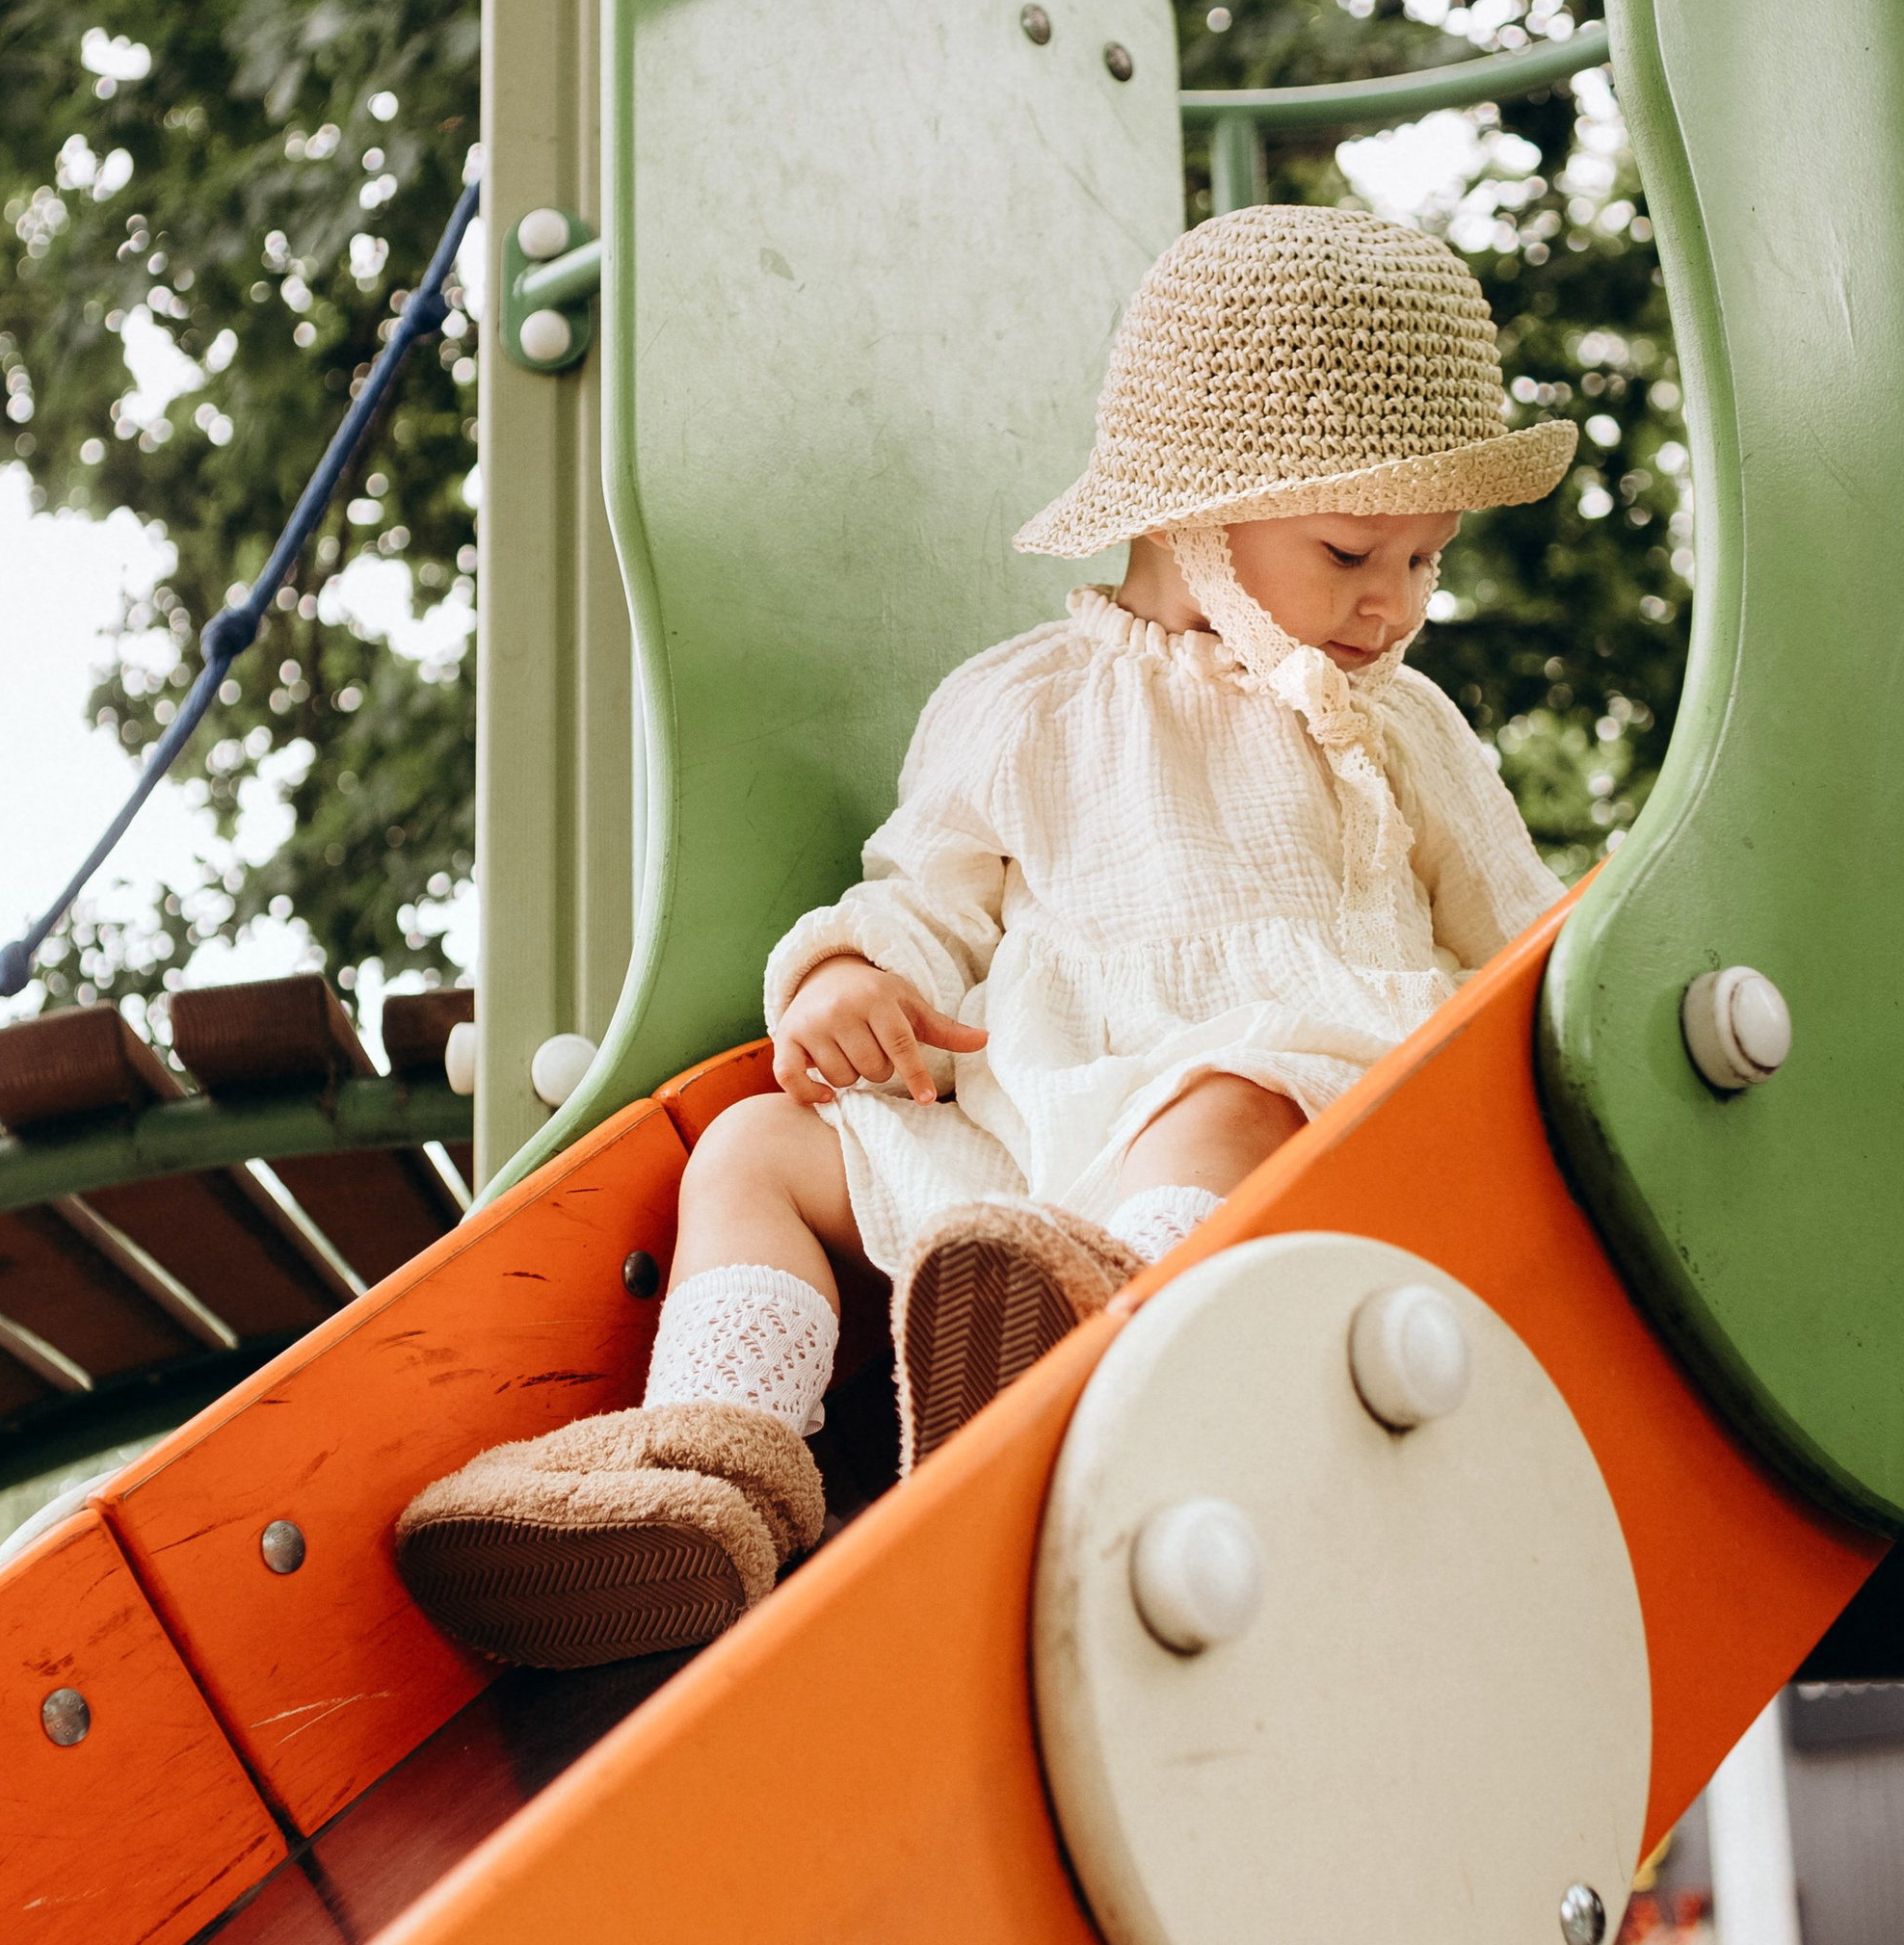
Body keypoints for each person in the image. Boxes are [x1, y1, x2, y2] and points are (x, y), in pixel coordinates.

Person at [396, 201, 1577, 1669]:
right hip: (1027, 1147)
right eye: (1350, 550)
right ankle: (711, 1468)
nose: (1393, 603)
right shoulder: (1021, 702)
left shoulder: (1395, 728)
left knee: (1223, 1099)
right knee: (753, 1149)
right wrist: (850, 974)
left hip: (1283, 1123)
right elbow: (927, 897)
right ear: (1194, 513)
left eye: (1428, 561)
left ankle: (1098, 1372)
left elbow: (1521, 939)